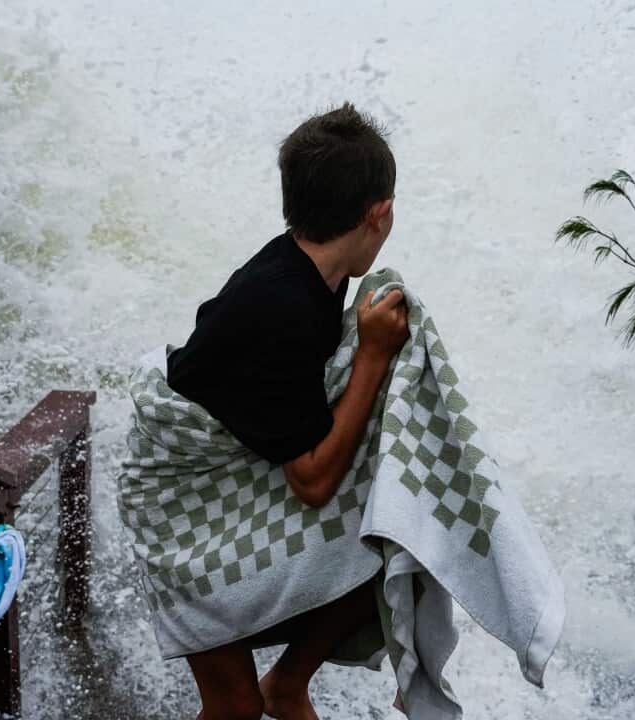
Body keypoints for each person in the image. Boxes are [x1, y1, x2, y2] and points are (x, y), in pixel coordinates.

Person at [163, 101, 409, 720]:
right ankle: (269, 690)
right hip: (177, 508)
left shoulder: (318, 274)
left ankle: (289, 683)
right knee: (232, 710)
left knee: (391, 549)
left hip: (237, 477)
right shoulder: (285, 305)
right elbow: (313, 481)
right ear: (379, 214)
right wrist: (374, 355)